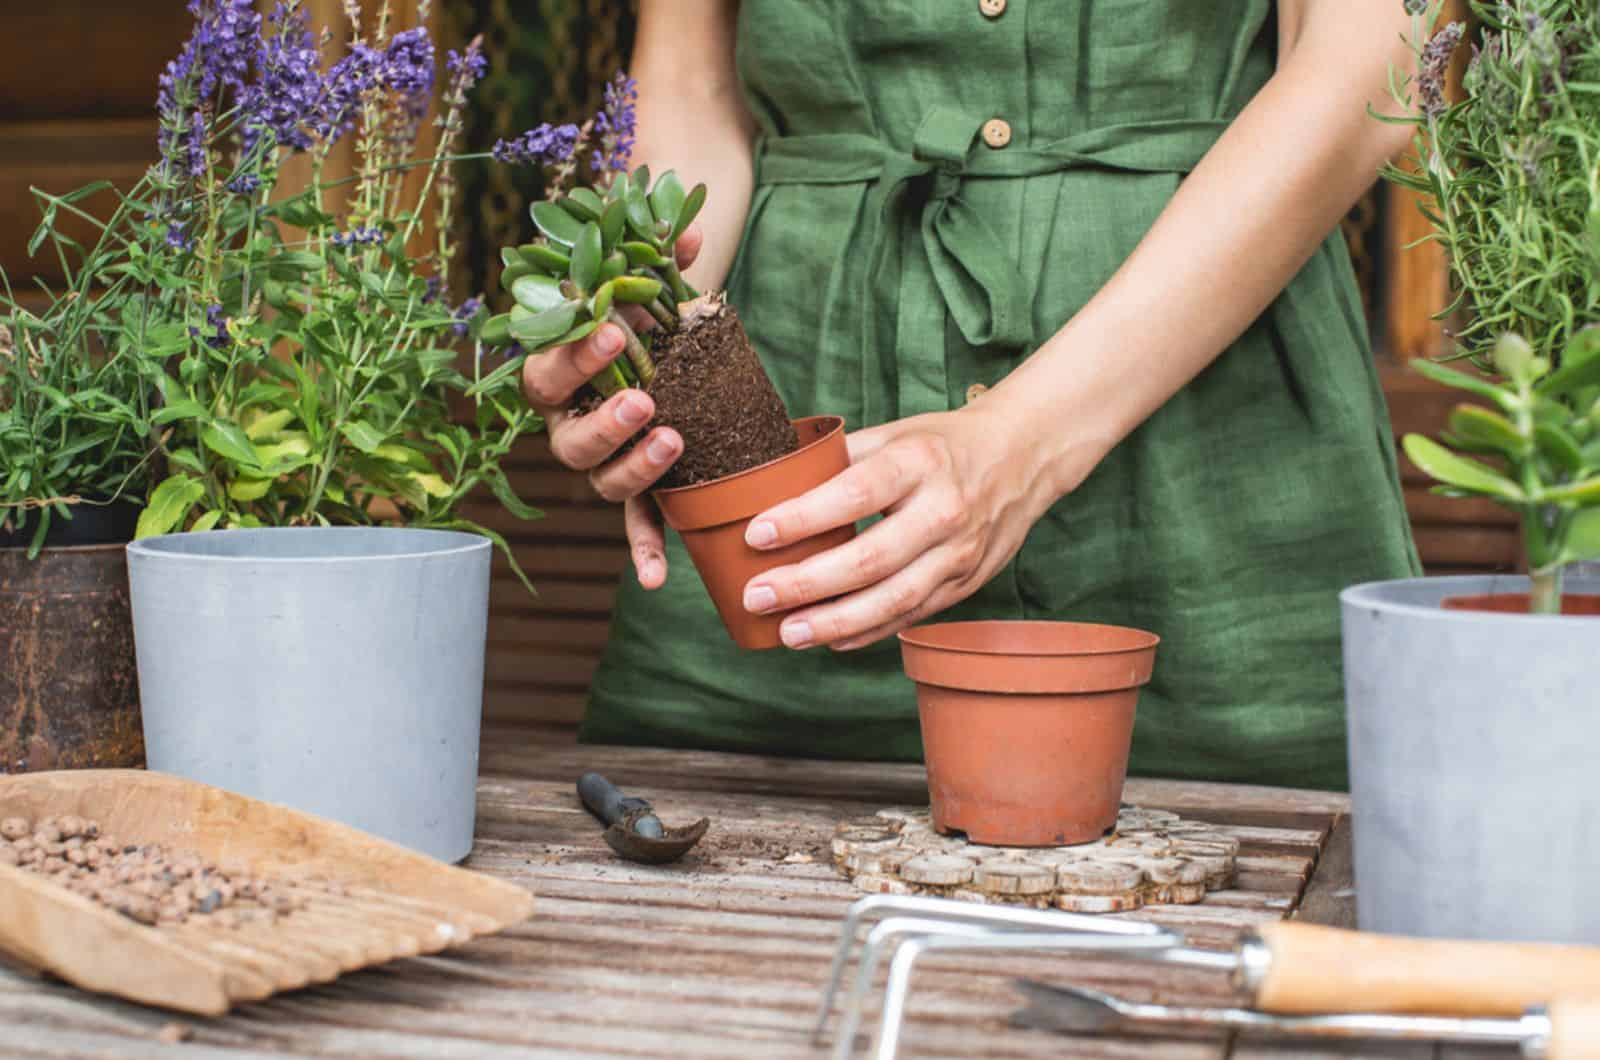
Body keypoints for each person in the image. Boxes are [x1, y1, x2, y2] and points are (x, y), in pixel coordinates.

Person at [520, 0, 1421, 789]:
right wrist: (632, 341)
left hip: (1216, 508)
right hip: (791, 531)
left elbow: (1364, 64)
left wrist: (1025, 439)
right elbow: (688, 86)